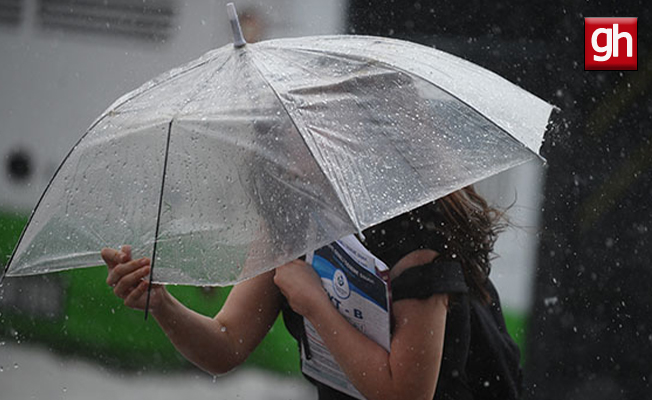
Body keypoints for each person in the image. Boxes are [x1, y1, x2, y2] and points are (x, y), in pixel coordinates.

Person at [101, 185, 522, 400]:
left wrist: (316, 307)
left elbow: (404, 396)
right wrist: (161, 303)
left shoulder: (417, 235)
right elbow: (225, 344)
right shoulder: (291, 218)